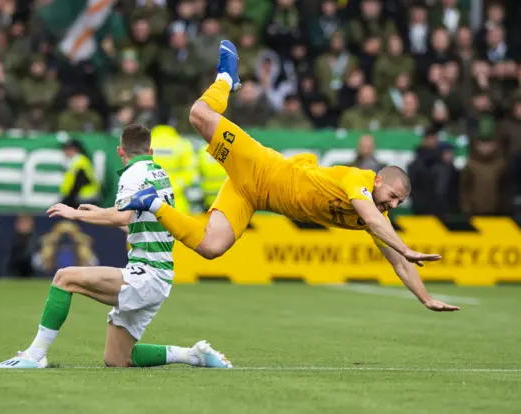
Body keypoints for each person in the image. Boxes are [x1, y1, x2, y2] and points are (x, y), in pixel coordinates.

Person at [119, 40, 460, 313]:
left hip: (253, 196)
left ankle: (153, 204)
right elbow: (374, 217)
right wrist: (406, 244)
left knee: (211, 247)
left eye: (399, 203)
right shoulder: (359, 180)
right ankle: (226, 79)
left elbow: (397, 260)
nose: (394, 205)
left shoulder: (375, 215)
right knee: (198, 114)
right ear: (379, 180)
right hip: (259, 167)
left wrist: (424, 297)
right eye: (394, 196)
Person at [0, 124, 232, 369]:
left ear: (120, 151)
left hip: (147, 275)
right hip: (158, 275)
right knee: (118, 359)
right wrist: (99, 212)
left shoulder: (133, 174)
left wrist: (75, 214)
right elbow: (134, 222)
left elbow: (122, 217)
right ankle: (192, 355)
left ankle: (35, 354)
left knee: (64, 278)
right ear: (150, 151)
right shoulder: (158, 172)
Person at [59, 138, 100, 209]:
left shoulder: (80, 161)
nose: (64, 151)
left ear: (73, 149)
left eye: (66, 149)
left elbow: (79, 182)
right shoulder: (76, 161)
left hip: (85, 198)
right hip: (82, 198)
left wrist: (67, 200)